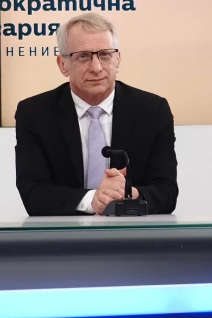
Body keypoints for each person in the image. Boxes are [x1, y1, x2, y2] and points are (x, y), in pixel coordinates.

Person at [15, 13, 178, 216]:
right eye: (83, 56)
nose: (96, 68)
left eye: (105, 55)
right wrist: (93, 200)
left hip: (132, 233)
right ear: (63, 64)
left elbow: (167, 192)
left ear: (118, 59)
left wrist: (126, 194)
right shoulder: (35, 114)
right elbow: (34, 194)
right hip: (64, 233)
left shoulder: (152, 111)